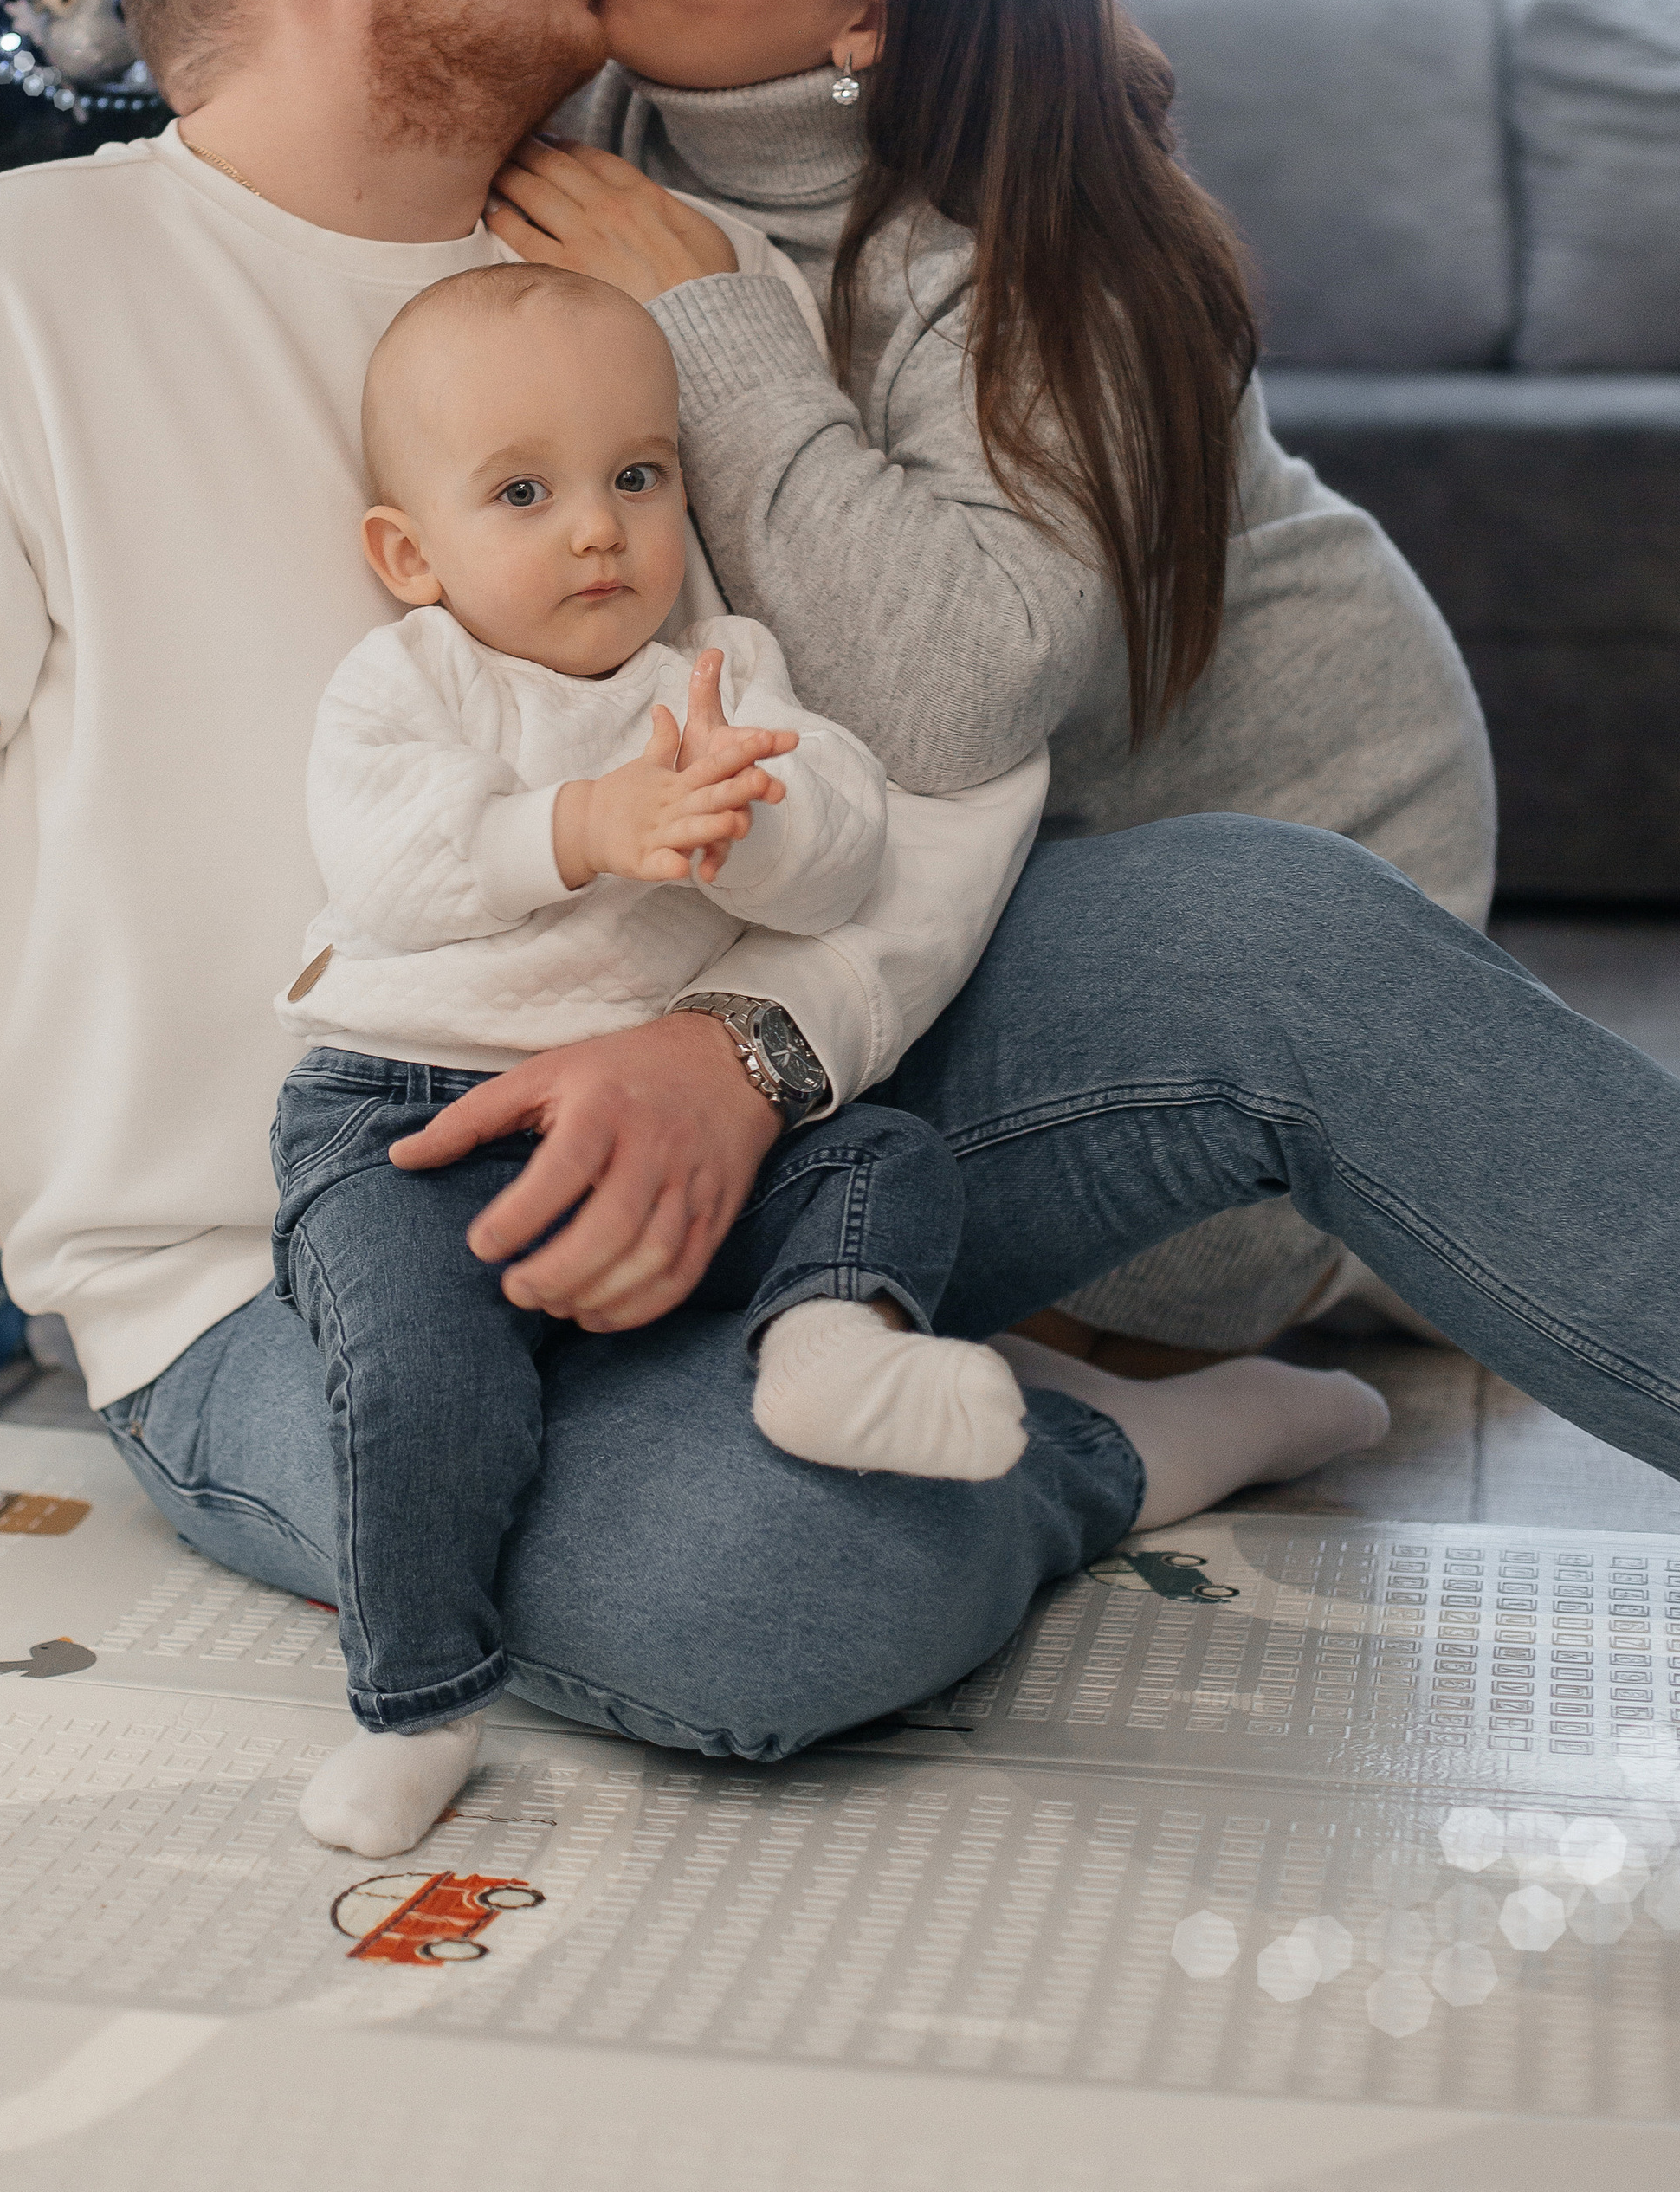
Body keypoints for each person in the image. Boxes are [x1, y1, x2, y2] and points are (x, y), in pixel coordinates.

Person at [0, 0, 1680, 1772]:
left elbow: (919, 759)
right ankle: (1099, 1440)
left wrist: (739, 1054)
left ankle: (890, 1339)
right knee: (769, 1592)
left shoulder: (666, 269)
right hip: (262, 1270)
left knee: (1277, 926)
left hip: (756, 1123)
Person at [493, 0, 1493, 1364]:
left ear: (869, 15)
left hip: (1272, 882)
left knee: (803, 1300)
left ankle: (1279, 1331)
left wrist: (710, 329)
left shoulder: (1058, 267)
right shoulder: (622, 87)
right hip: (969, 881)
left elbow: (953, 697)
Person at [288, 260, 1099, 1857]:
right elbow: (388, 862)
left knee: (879, 1160)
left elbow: (846, 850)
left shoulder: (715, 675)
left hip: (661, 1136)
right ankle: (419, 1701)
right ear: (410, 553)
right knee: (416, 1376)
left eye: (639, 478)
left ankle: (828, 1348)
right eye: (525, 493)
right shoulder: (414, 679)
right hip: (411, 1115)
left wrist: (751, 826)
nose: (599, 531)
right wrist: (585, 826)